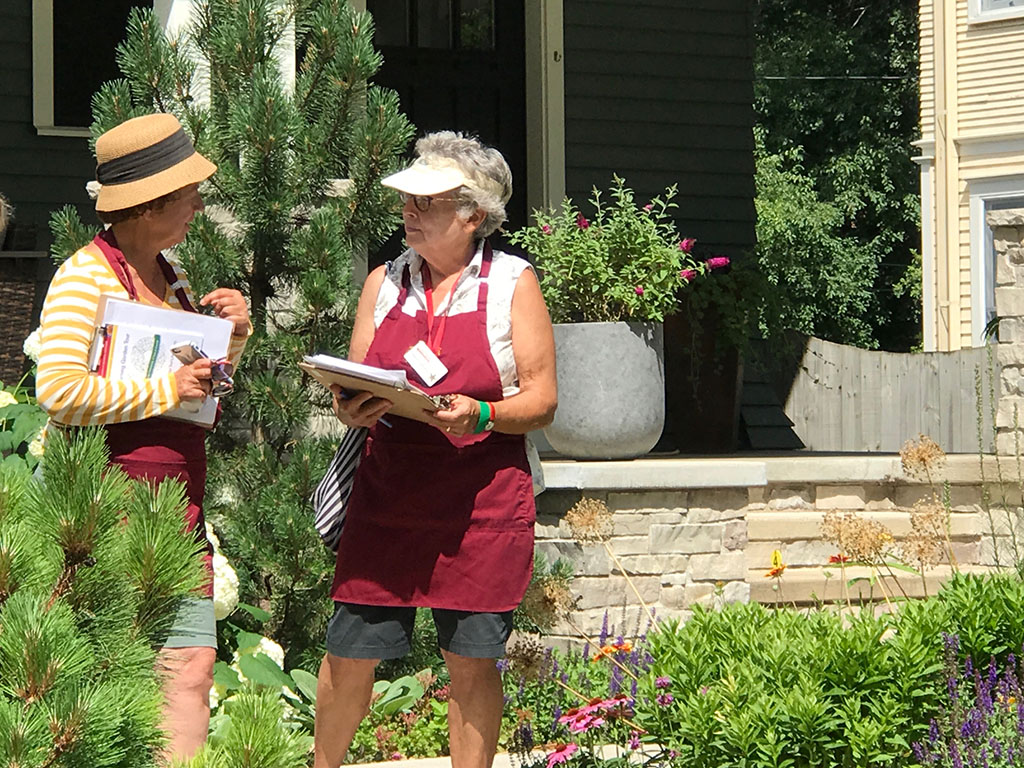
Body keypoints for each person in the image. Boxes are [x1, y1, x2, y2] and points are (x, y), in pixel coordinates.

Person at [313, 132, 558, 768]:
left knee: (472, 664)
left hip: (481, 504)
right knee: (347, 656)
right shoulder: (383, 282)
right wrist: (349, 406)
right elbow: (357, 379)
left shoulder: (512, 283)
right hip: (386, 497)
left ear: (473, 215)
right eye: (407, 199)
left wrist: (481, 412)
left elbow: (543, 401)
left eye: (427, 202)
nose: (409, 212)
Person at [35, 113, 250, 760]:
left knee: (191, 669)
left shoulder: (174, 275)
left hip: (176, 512)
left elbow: (202, 392)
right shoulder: (85, 278)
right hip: (105, 520)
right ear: (150, 201)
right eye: (189, 194)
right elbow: (60, 392)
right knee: (113, 685)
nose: (198, 205)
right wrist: (168, 390)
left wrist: (234, 340)